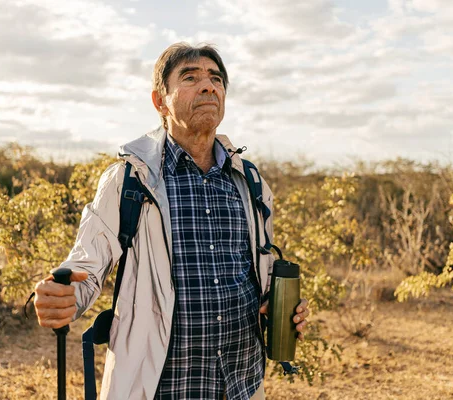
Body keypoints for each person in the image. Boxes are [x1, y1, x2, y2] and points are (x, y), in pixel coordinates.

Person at [33, 42, 310, 400]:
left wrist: (283, 307)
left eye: (216, 78)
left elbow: (261, 273)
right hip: (159, 388)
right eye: (190, 77)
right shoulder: (130, 180)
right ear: (160, 101)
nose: (209, 86)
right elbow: (86, 263)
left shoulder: (250, 181)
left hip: (240, 384)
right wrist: (63, 294)